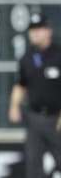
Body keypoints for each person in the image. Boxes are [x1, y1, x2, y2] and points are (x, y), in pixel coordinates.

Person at [8, 12, 61, 178]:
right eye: (32, 29)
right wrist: (14, 106)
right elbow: (21, 84)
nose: (35, 33)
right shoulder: (27, 58)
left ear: (48, 31)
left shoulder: (58, 55)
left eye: (39, 28)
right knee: (33, 167)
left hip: (57, 119)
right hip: (34, 119)